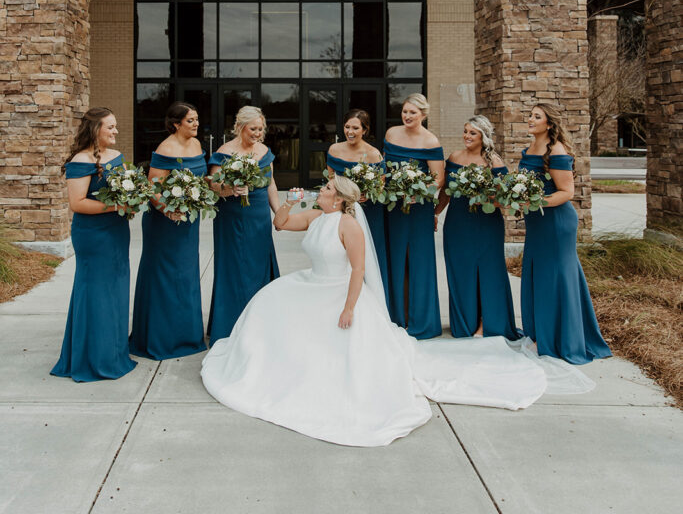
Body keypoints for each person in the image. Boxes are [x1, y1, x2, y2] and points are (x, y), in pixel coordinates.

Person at [201, 175, 571, 447]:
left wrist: (348, 308)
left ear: (341, 199)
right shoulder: (316, 216)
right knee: (268, 304)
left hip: (339, 292)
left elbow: (358, 271)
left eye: (327, 189)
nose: (322, 191)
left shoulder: (349, 226)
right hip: (311, 284)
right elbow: (281, 225)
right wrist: (290, 200)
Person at [520, 102, 612, 365]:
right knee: (538, 274)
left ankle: (561, 338)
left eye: (536, 116)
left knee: (556, 277)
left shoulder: (557, 151)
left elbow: (566, 193)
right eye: (530, 114)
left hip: (556, 223)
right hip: (537, 223)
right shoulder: (528, 149)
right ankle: (541, 333)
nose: (530, 119)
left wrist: (534, 203)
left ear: (549, 124)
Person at [51, 108, 136, 382]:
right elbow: (77, 203)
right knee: (96, 292)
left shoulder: (116, 157)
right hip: (93, 235)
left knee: (116, 290)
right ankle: (93, 358)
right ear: (95, 129)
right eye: (110, 127)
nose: (115, 131)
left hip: (117, 231)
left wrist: (130, 203)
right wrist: (116, 205)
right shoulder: (81, 160)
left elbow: (127, 187)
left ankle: (113, 353)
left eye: (115, 126)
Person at [129, 102, 207, 360]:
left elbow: (200, 179)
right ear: (176, 124)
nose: (196, 124)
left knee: (186, 275)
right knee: (163, 276)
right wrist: (169, 211)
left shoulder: (196, 145)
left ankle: (186, 336)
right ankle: (160, 339)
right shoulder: (165, 148)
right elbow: (153, 189)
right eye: (190, 121)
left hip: (188, 222)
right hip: (164, 222)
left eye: (196, 120)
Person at [437, 116, 519, 340]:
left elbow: (506, 199)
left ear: (483, 136)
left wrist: (485, 197)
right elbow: (445, 191)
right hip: (457, 223)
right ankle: (464, 322)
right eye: (465, 131)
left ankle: (486, 323)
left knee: (488, 272)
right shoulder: (454, 157)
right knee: (460, 269)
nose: (467, 136)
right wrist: (434, 213)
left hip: (486, 225)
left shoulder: (495, 162)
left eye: (472, 133)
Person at [206, 106, 280, 345]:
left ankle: (261, 322)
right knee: (235, 266)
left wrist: (278, 212)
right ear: (239, 127)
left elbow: (270, 184)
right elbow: (213, 185)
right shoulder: (224, 152)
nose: (258, 133)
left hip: (258, 216)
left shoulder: (264, 151)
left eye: (261, 129)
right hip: (232, 216)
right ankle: (231, 323)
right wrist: (229, 189)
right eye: (253, 129)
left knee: (258, 265)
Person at [383, 94, 444, 338]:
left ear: (424, 116)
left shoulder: (430, 141)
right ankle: (395, 317)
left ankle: (421, 319)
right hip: (392, 207)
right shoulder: (391, 134)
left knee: (418, 259)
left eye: (413, 113)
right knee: (395, 256)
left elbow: (439, 178)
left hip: (419, 208)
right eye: (405, 111)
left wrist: (418, 193)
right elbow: (384, 167)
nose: (407, 116)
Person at [326, 109, 389, 301]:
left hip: (369, 212)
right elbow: (330, 179)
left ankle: (371, 302)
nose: (350, 131)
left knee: (369, 256)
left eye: (355, 127)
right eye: (347, 127)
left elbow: (381, 185)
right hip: (342, 212)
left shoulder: (373, 154)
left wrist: (369, 194)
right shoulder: (334, 150)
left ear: (365, 130)